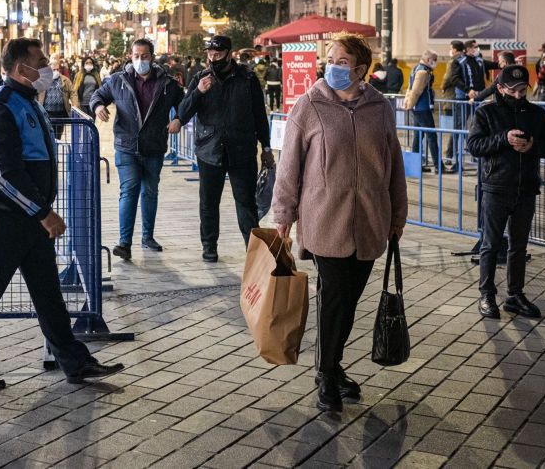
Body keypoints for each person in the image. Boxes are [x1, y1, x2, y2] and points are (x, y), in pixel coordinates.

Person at [0, 38, 124, 388]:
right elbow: (5, 173)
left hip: (31, 223)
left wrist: (40, 215)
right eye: (41, 61)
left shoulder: (27, 102)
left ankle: (74, 361)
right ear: (20, 69)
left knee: (49, 296)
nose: (48, 67)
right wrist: (43, 213)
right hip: (6, 221)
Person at [273, 33, 408, 413]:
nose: (331, 66)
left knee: (349, 302)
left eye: (341, 61)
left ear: (361, 69)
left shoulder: (380, 107)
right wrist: (284, 213)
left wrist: (398, 214)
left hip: (369, 220)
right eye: (330, 58)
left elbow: (394, 163)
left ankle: (331, 365)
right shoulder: (310, 105)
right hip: (325, 219)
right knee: (333, 300)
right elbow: (289, 165)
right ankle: (327, 375)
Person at [467, 65, 545, 320]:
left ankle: (515, 295)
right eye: (513, 90)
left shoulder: (536, 114)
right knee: (491, 244)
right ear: (500, 88)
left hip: (526, 188)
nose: (519, 95)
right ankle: (486, 294)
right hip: (496, 187)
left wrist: (532, 146)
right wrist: (503, 139)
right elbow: (474, 146)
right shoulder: (486, 113)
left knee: (518, 246)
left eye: (523, 89)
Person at [177, 35, 273, 262]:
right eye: (210, 54)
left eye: (218, 55)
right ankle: (209, 246)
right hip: (210, 151)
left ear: (230, 54)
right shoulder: (201, 78)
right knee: (209, 202)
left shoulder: (247, 79)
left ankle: (254, 250)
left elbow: (260, 115)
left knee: (246, 202)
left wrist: (266, 147)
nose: (213, 59)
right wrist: (198, 91)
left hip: (242, 150)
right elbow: (183, 112)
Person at [91, 39, 185, 260]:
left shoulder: (168, 85)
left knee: (150, 191)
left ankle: (147, 236)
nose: (140, 60)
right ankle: (124, 243)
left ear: (152, 57)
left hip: (154, 146)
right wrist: (98, 106)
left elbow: (183, 104)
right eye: (136, 56)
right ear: (130, 57)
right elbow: (98, 95)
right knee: (130, 190)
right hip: (126, 146)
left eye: (144, 56)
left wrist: (179, 119)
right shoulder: (118, 80)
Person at [403, 51, 440, 172]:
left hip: (417, 108)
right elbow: (416, 91)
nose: (436, 62)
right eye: (435, 59)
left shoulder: (416, 69)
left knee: (418, 136)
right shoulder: (423, 72)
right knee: (431, 136)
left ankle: (415, 166)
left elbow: (410, 88)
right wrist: (410, 104)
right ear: (428, 60)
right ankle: (438, 165)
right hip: (422, 108)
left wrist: (408, 103)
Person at [440, 40, 470, 173]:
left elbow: (448, 78)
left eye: (451, 48)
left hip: (455, 97)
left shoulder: (454, 61)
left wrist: (442, 87)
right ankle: (452, 155)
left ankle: (450, 156)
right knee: (459, 128)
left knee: (457, 128)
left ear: (456, 50)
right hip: (462, 98)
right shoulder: (466, 60)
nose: (450, 50)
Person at [41, 57, 72, 140]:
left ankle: (56, 151)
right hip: (47, 112)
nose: (55, 70)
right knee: (48, 135)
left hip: (60, 113)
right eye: (53, 68)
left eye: (56, 68)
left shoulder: (65, 80)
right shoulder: (43, 79)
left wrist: (75, 105)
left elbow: (73, 93)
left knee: (58, 136)